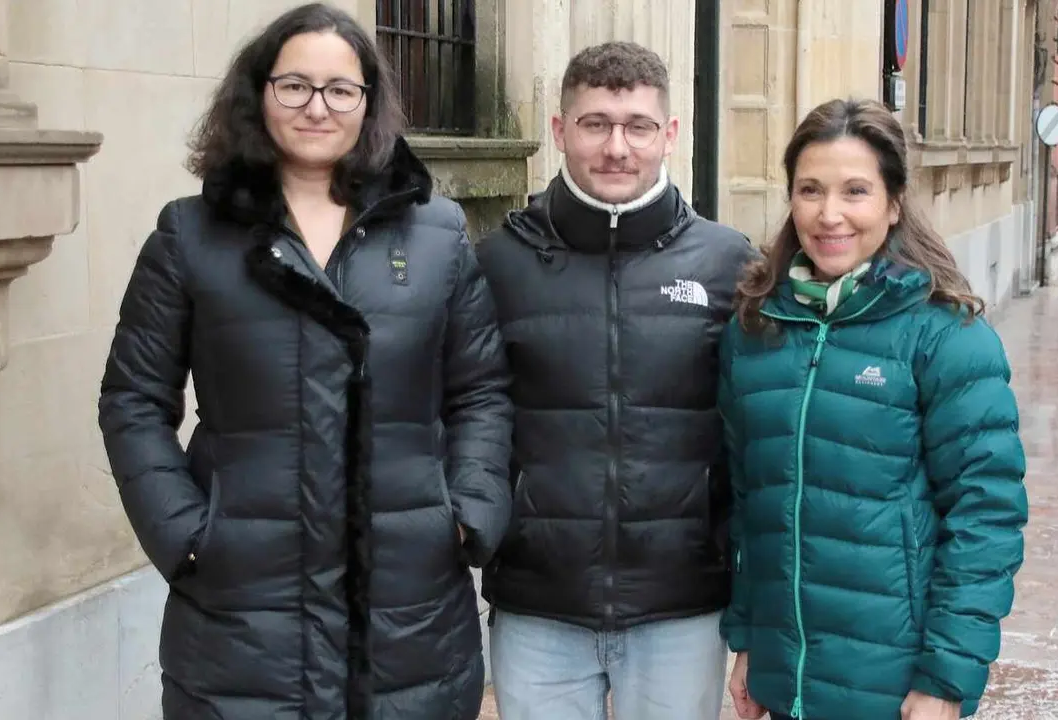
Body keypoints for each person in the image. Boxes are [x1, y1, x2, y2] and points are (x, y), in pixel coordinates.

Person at [96, 4, 513, 719]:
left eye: (340, 89)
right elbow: (133, 399)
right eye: (295, 85)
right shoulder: (191, 236)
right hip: (244, 614)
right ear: (258, 94)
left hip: (409, 606)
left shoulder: (438, 234)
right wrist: (188, 535)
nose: (317, 107)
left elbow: (479, 392)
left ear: (368, 104)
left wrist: (466, 513)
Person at [717, 98, 1029, 720]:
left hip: (894, 690)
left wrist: (947, 677)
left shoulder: (946, 337)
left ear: (892, 203)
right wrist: (750, 642)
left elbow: (985, 516)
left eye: (855, 191)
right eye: (810, 190)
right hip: (789, 682)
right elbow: (753, 507)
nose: (829, 214)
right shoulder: (756, 331)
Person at [474, 41, 758, 720]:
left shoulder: (729, 263)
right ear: (559, 131)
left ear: (670, 135)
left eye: (637, 126)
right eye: (595, 123)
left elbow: (755, 437)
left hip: (680, 602)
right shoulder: (497, 263)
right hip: (539, 605)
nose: (616, 148)